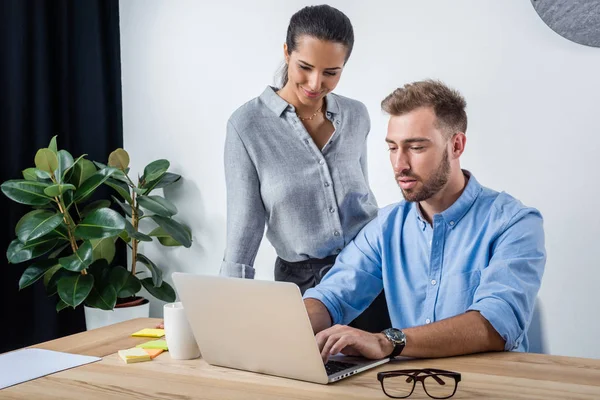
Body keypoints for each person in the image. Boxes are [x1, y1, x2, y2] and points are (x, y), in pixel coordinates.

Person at [303, 80, 546, 361]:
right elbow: (332, 296)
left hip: (490, 386)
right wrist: (288, 330)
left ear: (456, 145)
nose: (399, 164)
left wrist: (388, 342)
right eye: (393, 148)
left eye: (415, 147)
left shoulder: (514, 223)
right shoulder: (386, 226)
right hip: (410, 384)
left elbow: (496, 324)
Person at [219, 5, 390, 332]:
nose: (315, 83)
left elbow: (363, 195)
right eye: (305, 67)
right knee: (308, 378)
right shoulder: (247, 126)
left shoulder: (357, 116)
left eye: (331, 72)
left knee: (380, 376)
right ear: (286, 52)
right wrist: (228, 307)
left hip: (370, 274)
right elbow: (245, 225)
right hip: (302, 287)